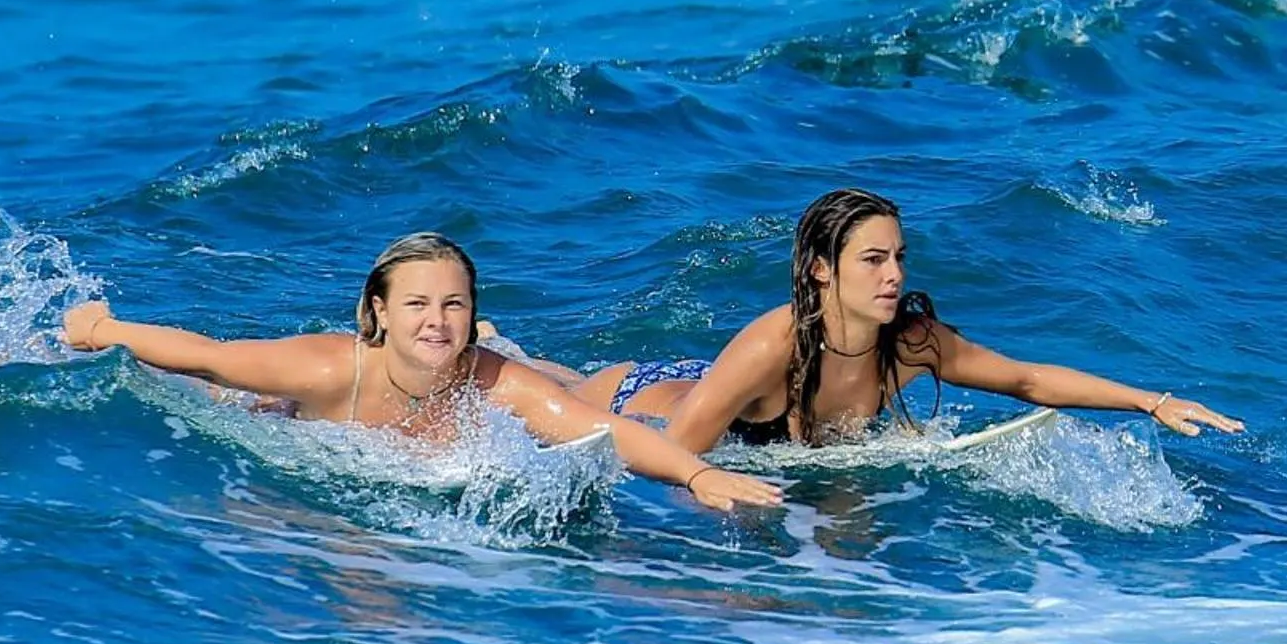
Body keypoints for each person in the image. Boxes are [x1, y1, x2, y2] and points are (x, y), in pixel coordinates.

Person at [63, 231, 783, 512]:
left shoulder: (485, 377)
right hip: (286, 415)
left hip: (424, 433)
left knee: (551, 389)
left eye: (453, 306)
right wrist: (101, 330)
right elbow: (205, 354)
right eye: (416, 305)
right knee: (222, 388)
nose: (436, 321)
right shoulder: (328, 365)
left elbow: (599, 432)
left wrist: (698, 474)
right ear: (377, 312)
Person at [572, 187, 1247, 450]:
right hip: (645, 403)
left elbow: (1027, 381)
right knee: (548, 391)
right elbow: (674, 454)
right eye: (871, 260)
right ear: (820, 270)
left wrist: (1150, 401)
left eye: (897, 257)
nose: (893, 274)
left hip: (713, 395)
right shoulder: (772, 343)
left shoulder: (909, 343)